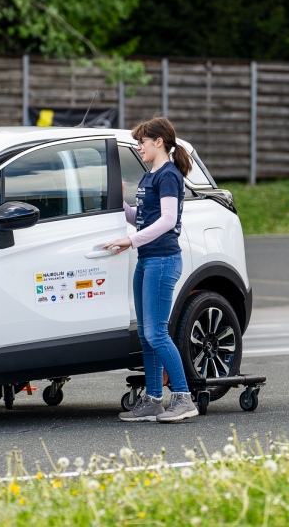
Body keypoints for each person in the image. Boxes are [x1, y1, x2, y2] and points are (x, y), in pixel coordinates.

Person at [103, 116, 198, 423]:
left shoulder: (168, 175)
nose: (139, 147)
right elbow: (142, 218)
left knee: (157, 334)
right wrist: (121, 204)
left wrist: (130, 241)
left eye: (142, 142)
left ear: (159, 142)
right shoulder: (150, 175)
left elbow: (168, 221)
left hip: (162, 260)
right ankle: (154, 401)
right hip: (147, 260)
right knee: (147, 336)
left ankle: (183, 398)